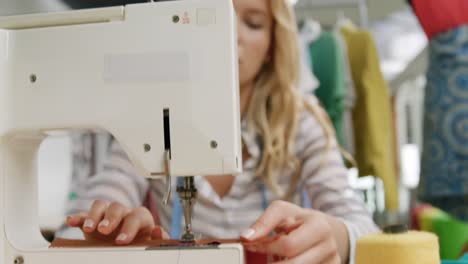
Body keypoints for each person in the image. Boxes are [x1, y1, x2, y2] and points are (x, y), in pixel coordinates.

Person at [62, 0, 379, 263]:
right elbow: (92, 211)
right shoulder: (154, 120)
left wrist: (336, 236)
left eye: (252, 23)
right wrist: (104, 233)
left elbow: (367, 232)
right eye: (212, 19)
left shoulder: (298, 121)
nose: (229, 36)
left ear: (271, 46)